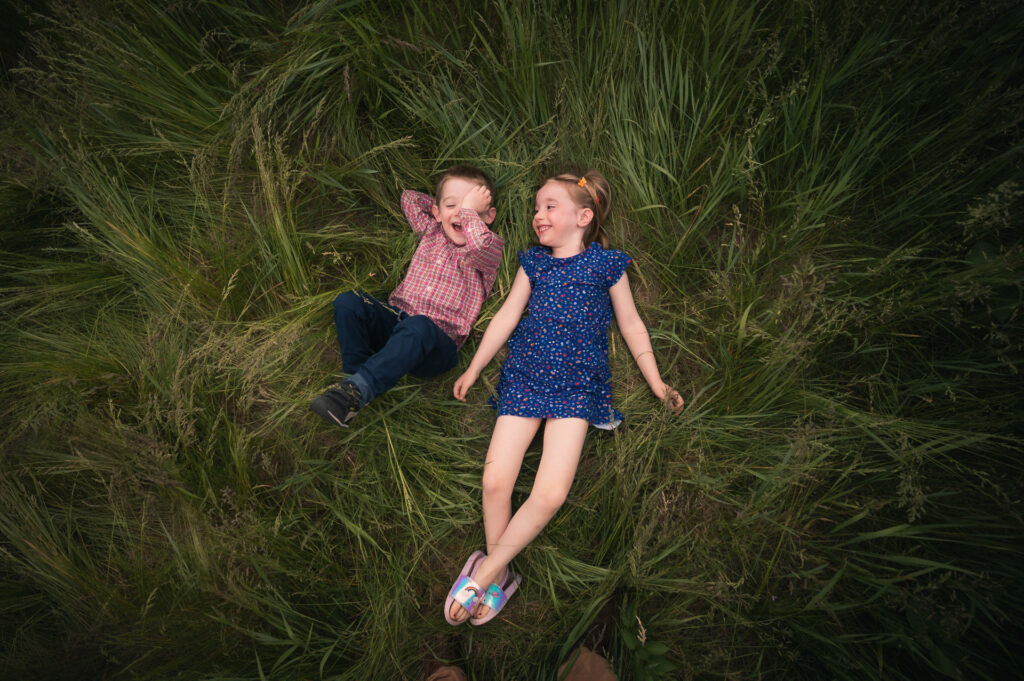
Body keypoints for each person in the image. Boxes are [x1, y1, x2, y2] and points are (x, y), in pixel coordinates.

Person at [444, 170, 684, 626]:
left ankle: (487, 573)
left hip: (578, 385)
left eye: (549, 206)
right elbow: (506, 317)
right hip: (526, 376)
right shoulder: (534, 263)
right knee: (495, 482)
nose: (538, 215)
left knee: (551, 493)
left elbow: (632, 325)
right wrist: (474, 368)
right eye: (536, 208)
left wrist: (657, 382)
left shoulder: (606, 265)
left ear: (583, 216)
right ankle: (501, 575)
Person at [311, 165, 504, 428]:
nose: (460, 212)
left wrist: (467, 211)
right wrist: (444, 206)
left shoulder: (486, 252)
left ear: (488, 216)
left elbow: (480, 243)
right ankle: (351, 388)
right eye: (452, 206)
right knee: (349, 302)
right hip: (396, 321)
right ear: (436, 212)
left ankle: (359, 390)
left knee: (419, 325)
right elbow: (409, 198)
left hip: (437, 343)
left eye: (471, 209)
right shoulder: (431, 231)